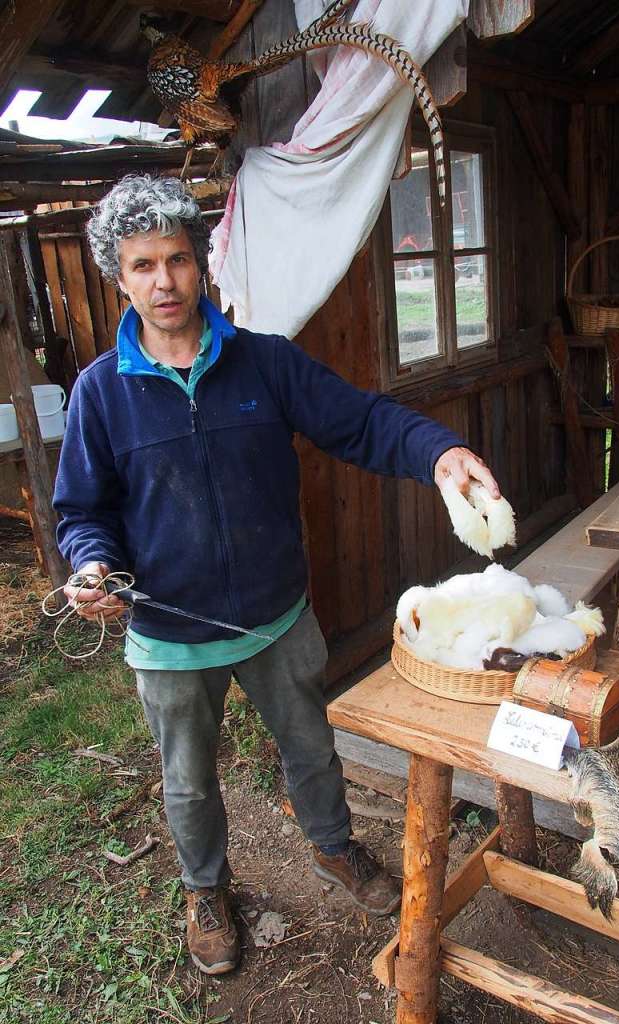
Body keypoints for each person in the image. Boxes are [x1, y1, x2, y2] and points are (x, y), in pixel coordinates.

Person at [53, 175, 500, 977]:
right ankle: (205, 891)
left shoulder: (263, 364)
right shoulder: (98, 395)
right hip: (168, 638)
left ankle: (333, 848)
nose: (164, 281)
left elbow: (361, 421)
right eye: (144, 265)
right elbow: (84, 509)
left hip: (276, 617)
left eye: (179, 260)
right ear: (117, 276)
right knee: (188, 785)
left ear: (202, 266)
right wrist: (92, 566)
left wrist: (438, 451)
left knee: (311, 750)